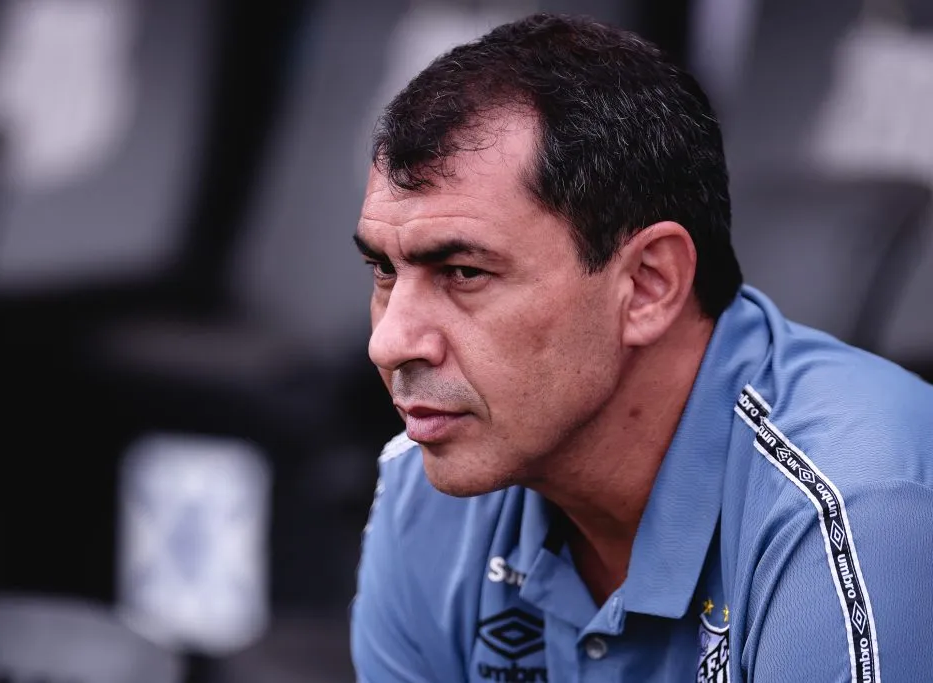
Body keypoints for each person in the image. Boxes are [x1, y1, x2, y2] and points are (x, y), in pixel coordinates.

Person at [349, 12, 933, 683]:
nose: (389, 341)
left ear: (649, 284)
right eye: (385, 271)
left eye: (465, 273)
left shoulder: (859, 509)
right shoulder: (423, 493)